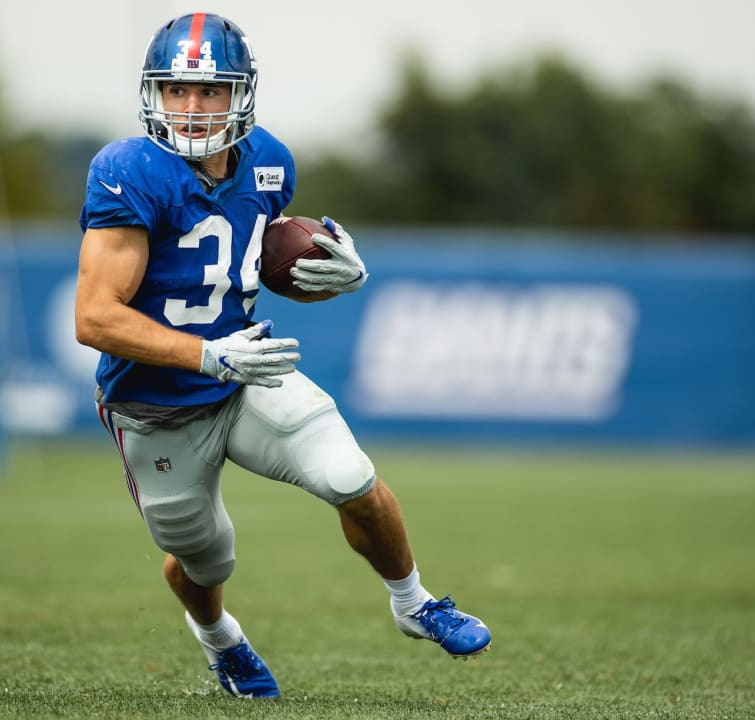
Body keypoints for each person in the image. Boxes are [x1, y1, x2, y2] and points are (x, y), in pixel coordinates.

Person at [74, 12, 491, 699]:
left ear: (242, 94)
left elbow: (253, 270)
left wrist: (337, 276)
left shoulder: (269, 162)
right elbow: (95, 316)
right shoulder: (127, 171)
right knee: (205, 559)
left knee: (349, 475)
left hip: (247, 376)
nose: (193, 107)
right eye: (177, 90)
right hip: (155, 405)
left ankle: (415, 603)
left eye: (211, 92)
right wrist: (207, 356)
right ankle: (221, 642)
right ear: (155, 93)